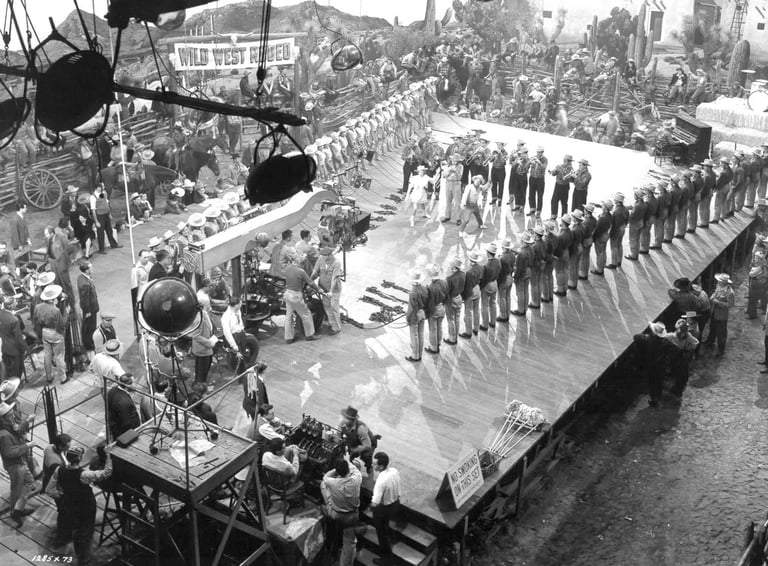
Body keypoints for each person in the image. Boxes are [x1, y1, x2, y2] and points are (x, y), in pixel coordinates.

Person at [48, 445, 113, 565]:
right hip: (86, 506)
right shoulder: (84, 475)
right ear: (79, 459)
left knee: (77, 529)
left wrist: (64, 497)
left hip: (71, 506)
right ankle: (84, 559)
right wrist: (108, 456)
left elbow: (50, 490)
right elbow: (106, 473)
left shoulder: (59, 470)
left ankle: (80, 554)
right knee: (86, 531)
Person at [321, 454, 363, 566]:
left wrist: (335, 468)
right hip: (351, 515)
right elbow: (355, 469)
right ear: (348, 470)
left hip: (336, 513)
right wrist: (346, 463)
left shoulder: (332, 482)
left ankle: (327, 506)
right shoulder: (356, 479)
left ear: (338, 472)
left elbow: (325, 477)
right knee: (349, 542)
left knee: (322, 486)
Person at [0, 401, 36, 527]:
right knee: (17, 488)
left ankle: (18, 508)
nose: (13, 416)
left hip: (20, 462)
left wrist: (26, 422)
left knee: (28, 482)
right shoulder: (4, 435)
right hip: (15, 465)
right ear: (3, 418)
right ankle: (14, 511)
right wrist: (26, 446)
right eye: (10, 415)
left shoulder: (9, 426)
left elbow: (18, 428)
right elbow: (9, 452)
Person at [34, 284, 69, 384]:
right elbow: (62, 325)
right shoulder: (55, 310)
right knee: (59, 356)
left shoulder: (38, 307)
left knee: (47, 355)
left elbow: (35, 321)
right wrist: (66, 313)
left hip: (44, 331)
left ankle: (49, 376)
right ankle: (63, 377)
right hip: (55, 332)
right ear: (52, 299)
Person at [371, 452, 401, 566]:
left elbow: (375, 502)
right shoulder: (394, 471)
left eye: (375, 465)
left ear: (381, 466)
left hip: (384, 509)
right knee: (386, 526)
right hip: (395, 504)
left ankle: (385, 559)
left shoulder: (381, 480)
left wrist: (371, 508)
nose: (373, 466)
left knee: (381, 534)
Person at [284, 252, 322, 343]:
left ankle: (288, 338)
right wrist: (319, 289)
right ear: (300, 263)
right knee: (306, 314)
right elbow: (311, 283)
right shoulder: (301, 271)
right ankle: (310, 335)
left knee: (288, 316)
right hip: (296, 296)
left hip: (287, 294)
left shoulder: (287, 268)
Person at [633, 322, 674, 407]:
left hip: (651, 366)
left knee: (652, 382)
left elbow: (636, 337)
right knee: (659, 382)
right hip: (661, 366)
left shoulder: (647, 339)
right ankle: (657, 398)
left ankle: (653, 398)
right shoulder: (666, 342)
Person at [311, 247, 343, 335]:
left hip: (334, 290)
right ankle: (331, 322)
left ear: (330, 255)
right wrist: (309, 281)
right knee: (326, 306)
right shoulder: (321, 258)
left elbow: (335, 278)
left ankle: (336, 328)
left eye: (326, 256)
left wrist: (331, 291)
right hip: (323, 288)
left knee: (333, 308)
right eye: (323, 255)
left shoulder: (336, 263)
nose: (324, 257)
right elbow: (315, 270)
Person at [665, 319, 699, 397]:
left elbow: (695, 343)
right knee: (682, 372)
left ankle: (678, 389)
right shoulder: (675, 336)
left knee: (680, 373)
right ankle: (680, 386)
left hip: (680, 358)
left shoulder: (673, 336)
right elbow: (696, 343)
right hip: (680, 358)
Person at [706, 273, 735, 356]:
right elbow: (715, 294)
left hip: (722, 316)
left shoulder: (730, 293)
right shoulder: (719, 287)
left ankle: (721, 350)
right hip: (714, 312)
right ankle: (710, 341)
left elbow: (730, 305)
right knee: (712, 328)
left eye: (720, 281)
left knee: (721, 333)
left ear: (725, 282)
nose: (718, 282)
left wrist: (718, 302)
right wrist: (712, 297)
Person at [89, 183, 122, 254]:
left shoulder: (103, 193)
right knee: (100, 232)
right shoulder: (93, 197)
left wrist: (109, 214)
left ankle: (113, 244)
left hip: (106, 213)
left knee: (109, 229)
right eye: (102, 186)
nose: (104, 187)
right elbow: (93, 210)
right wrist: (96, 221)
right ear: (98, 187)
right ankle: (101, 249)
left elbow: (106, 203)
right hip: (99, 215)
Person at [191, 298, 218, 385]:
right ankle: (198, 389)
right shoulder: (199, 318)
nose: (210, 304)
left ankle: (202, 386)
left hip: (206, 349)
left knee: (204, 371)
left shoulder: (205, 314)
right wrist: (209, 342)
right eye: (209, 302)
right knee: (201, 373)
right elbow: (195, 335)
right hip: (202, 350)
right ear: (205, 305)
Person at [106, 370, 139, 440]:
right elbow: (126, 423)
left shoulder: (112, 390)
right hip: (123, 433)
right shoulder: (124, 403)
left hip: (114, 425)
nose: (135, 385)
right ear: (127, 386)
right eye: (134, 383)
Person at [405, 268, 428, 362]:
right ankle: (420, 354)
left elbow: (411, 309)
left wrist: (408, 319)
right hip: (422, 313)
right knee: (421, 334)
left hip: (415, 316)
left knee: (414, 336)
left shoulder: (413, 292)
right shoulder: (424, 288)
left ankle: (415, 356)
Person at [77, 260, 99, 358]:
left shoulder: (82, 277)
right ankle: (90, 348)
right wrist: (88, 311)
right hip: (90, 310)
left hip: (91, 308)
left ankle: (90, 345)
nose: (93, 269)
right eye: (91, 268)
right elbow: (85, 299)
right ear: (86, 271)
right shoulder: (85, 284)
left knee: (89, 328)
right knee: (89, 329)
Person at [0, 296, 26, 378]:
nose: (16, 303)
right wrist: (23, 349)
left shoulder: (1, 314)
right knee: (17, 369)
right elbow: (19, 338)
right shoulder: (14, 320)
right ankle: (16, 384)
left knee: (7, 368)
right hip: (14, 349)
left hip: (3, 346)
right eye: (15, 302)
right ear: (11, 306)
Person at [424, 264, 448, 354]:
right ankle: (438, 343)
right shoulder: (444, 282)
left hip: (434, 310)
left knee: (433, 329)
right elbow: (447, 296)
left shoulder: (430, 287)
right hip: (442, 307)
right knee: (439, 326)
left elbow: (429, 303)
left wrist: (427, 312)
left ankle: (433, 348)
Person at [460, 251, 483, 339]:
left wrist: (464, 297)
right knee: (476, 310)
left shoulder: (469, 272)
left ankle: (468, 332)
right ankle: (476, 329)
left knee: (468, 312)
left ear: (470, 260)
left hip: (471, 291)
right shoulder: (481, 268)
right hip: (477, 289)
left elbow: (468, 286)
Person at [479, 243, 500, 330]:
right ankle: (493, 322)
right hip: (495, 283)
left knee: (485, 305)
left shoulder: (486, 266)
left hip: (487, 285)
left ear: (488, 253)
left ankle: (485, 325)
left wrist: (481, 287)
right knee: (493, 303)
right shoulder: (498, 261)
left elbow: (484, 280)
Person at [549, 155, 575, 219]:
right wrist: (554, 170)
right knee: (554, 200)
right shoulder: (559, 166)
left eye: (569, 161)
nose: (569, 163)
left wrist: (570, 176)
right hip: (557, 185)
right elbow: (553, 174)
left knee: (564, 202)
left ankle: (564, 217)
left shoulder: (571, 169)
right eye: (568, 161)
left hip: (565, 186)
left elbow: (572, 180)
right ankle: (553, 215)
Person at [607, 193, 628, 269]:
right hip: (622, 229)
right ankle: (619, 261)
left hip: (616, 230)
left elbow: (614, 223)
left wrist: (610, 232)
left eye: (615, 199)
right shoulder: (625, 209)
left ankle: (614, 263)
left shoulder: (616, 211)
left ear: (618, 201)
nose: (614, 200)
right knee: (620, 245)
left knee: (614, 246)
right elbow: (626, 221)